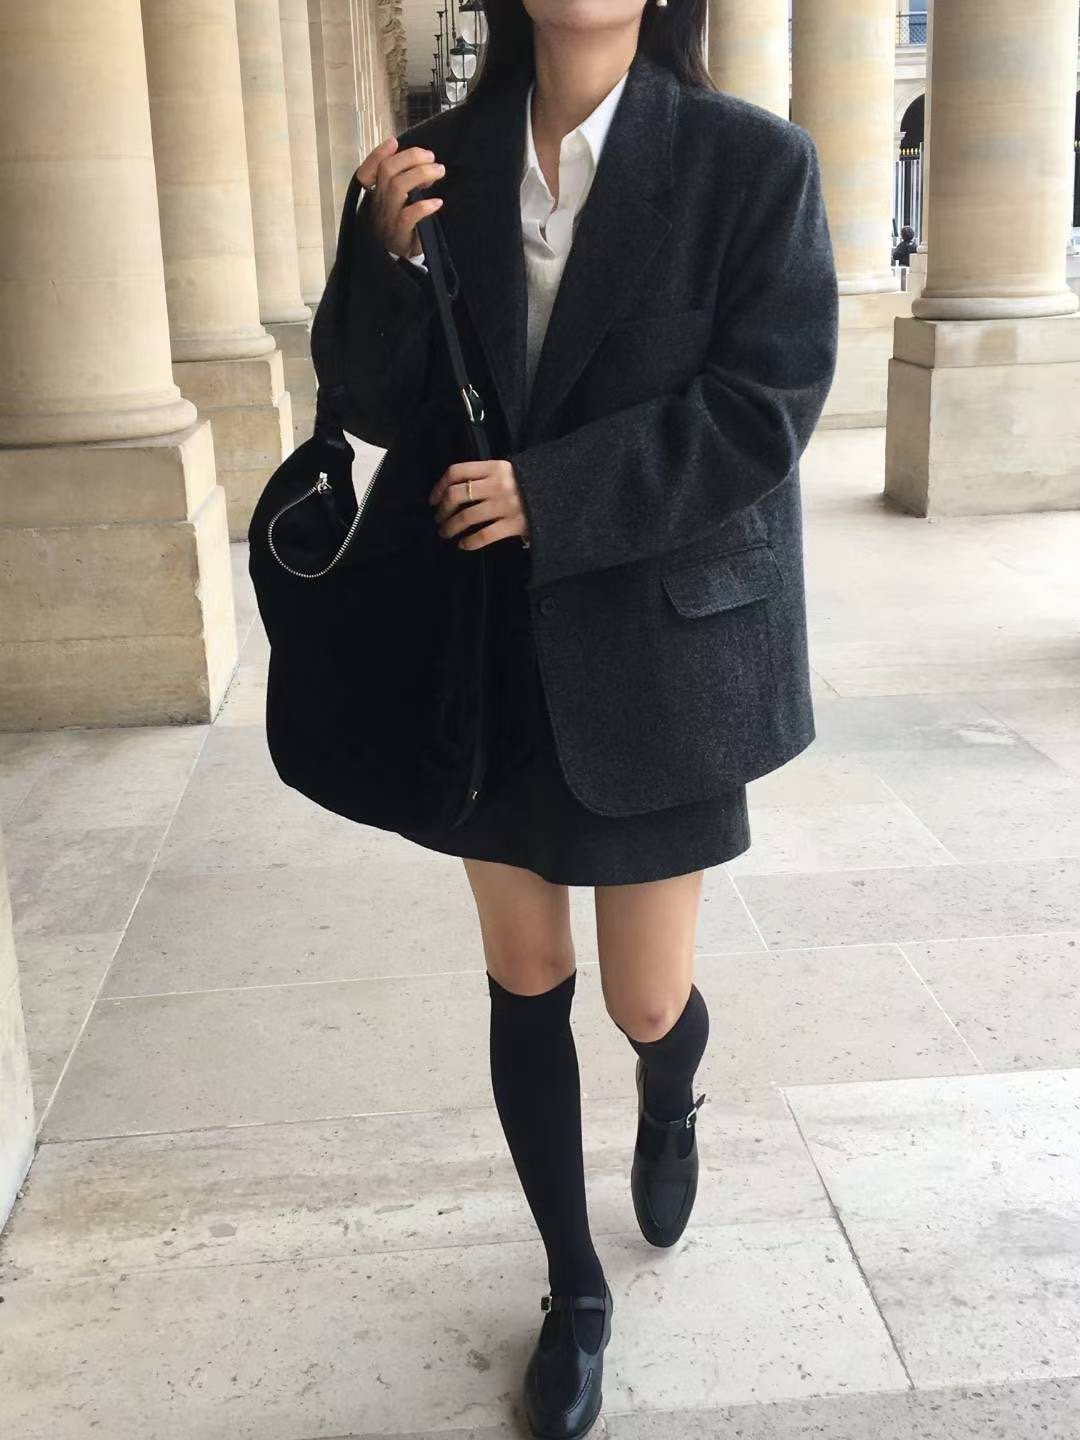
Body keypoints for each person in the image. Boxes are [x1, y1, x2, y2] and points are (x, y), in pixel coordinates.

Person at [310, 2, 838, 1436]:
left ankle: (672, 1093)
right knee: (526, 972)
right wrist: (381, 264)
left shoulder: (752, 163)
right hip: (481, 643)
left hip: (662, 652)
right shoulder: (437, 161)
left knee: (643, 999)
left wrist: (555, 494)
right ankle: (572, 1284)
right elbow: (368, 399)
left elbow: (764, 407)